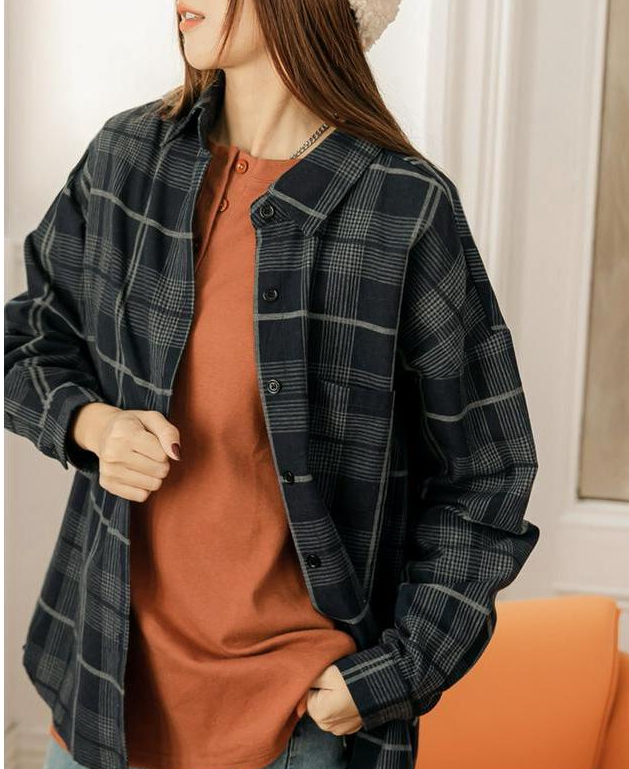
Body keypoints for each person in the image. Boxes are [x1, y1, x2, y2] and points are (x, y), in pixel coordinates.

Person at [5, 2, 541, 769]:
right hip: (101, 697)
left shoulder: (402, 208)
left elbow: (486, 475)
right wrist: (92, 426)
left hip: (295, 729)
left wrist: (395, 673)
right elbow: (27, 336)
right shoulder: (129, 158)